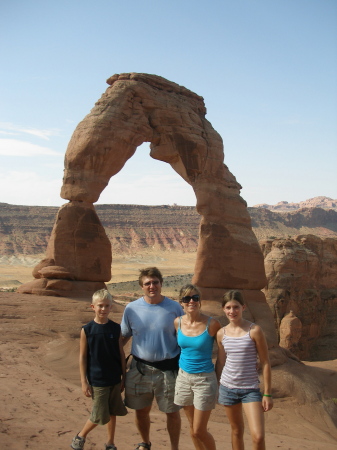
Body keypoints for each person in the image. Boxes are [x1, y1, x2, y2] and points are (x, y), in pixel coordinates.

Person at [121, 267, 183, 450]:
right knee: (141, 411)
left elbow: (184, 338)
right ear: (141, 286)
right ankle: (145, 442)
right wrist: (120, 367)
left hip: (169, 369)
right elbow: (122, 338)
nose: (152, 286)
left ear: (161, 283)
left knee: (172, 412)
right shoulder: (131, 309)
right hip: (140, 369)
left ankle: (174, 447)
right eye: (147, 283)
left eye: (155, 282)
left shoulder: (174, 307)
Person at [215, 290, 273, 450]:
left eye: (236, 307)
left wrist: (267, 393)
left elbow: (265, 362)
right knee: (236, 431)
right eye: (228, 307)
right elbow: (221, 362)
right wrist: (218, 387)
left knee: (258, 436)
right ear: (223, 309)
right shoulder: (221, 333)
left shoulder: (254, 331)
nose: (232, 311)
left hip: (250, 389)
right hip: (228, 388)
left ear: (243, 307)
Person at [70, 289, 127, 450]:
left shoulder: (116, 328)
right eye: (100, 306)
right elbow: (83, 357)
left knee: (112, 411)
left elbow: (121, 353)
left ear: (111, 307)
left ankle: (110, 443)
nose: (103, 309)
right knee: (99, 414)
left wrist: (124, 377)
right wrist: (84, 381)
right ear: (92, 307)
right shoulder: (87, 330)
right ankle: (80, 436)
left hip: (115, 378)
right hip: (97, 380)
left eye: (107, 306)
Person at [174, 284, 221, 450]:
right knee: (193, 430)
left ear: (200, 301)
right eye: (187, 298)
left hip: (204, 379)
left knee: (200, 430)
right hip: (184, 378)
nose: (191, 301)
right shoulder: (177, 322)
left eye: (195, 297)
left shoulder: (212, 324)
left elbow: (222, 355)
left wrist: (218, 378)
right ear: (181, 302)